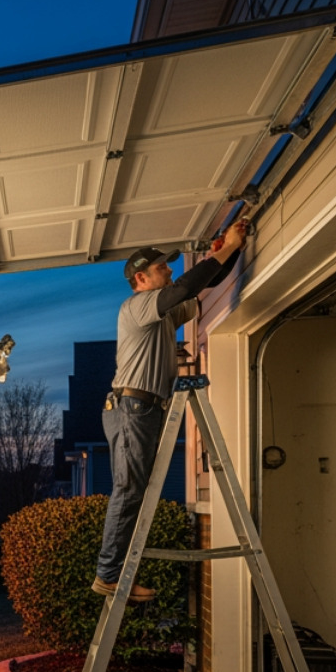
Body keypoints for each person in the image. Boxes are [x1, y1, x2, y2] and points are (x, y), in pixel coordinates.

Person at [93, 219, 248, 601]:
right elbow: (185, 287)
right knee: (128, 490)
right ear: (141, 278)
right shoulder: (138, 306)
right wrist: (225, 249)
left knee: (134, 491)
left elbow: (198, 291)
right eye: (162, 267)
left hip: (143, 409)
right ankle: (108, 575)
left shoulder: (161, 315)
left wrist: (227, 251)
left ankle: (112, 573)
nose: (170, 271)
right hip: (132, 407)